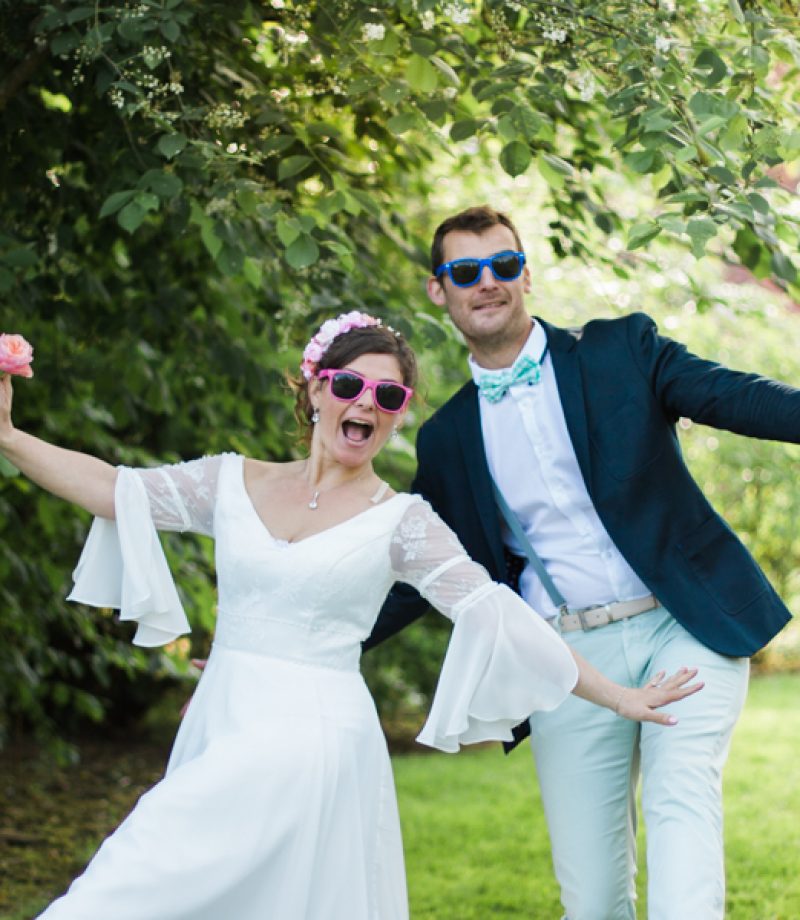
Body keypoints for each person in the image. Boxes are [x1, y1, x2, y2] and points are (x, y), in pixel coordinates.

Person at [0, 313, 699, 920]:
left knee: (130, 878)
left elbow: (500, 615)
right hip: (225, 715)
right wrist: (7, 435)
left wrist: (618, 696)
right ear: (314, 389)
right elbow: (110, 489)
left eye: (387, 395)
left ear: (399, 413)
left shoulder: (403, 523)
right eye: (349, 386)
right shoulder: (231, 481)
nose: (366, 403)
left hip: (314, 739)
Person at [367, 206, 800, 920]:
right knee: (594, 898)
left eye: (504, 265)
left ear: (526, 275)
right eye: (465, 271)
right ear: (437, 290)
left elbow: (733, 396)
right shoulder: (446, 438)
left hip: (679, 623)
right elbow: (420, 574)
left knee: (680, 801)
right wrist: (303, 641)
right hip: (562, 660)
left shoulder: (619, 350)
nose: (488, 283)